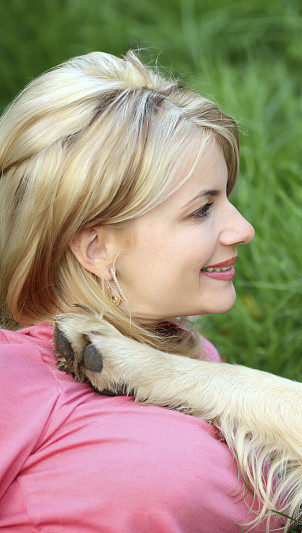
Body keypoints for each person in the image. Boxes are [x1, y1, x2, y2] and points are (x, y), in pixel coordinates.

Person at [0, 51, 284, 531]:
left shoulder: (194, 361)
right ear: (96, 248)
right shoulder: (14, 377)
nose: (242, 229)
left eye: (227, 199)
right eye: (201, 210)